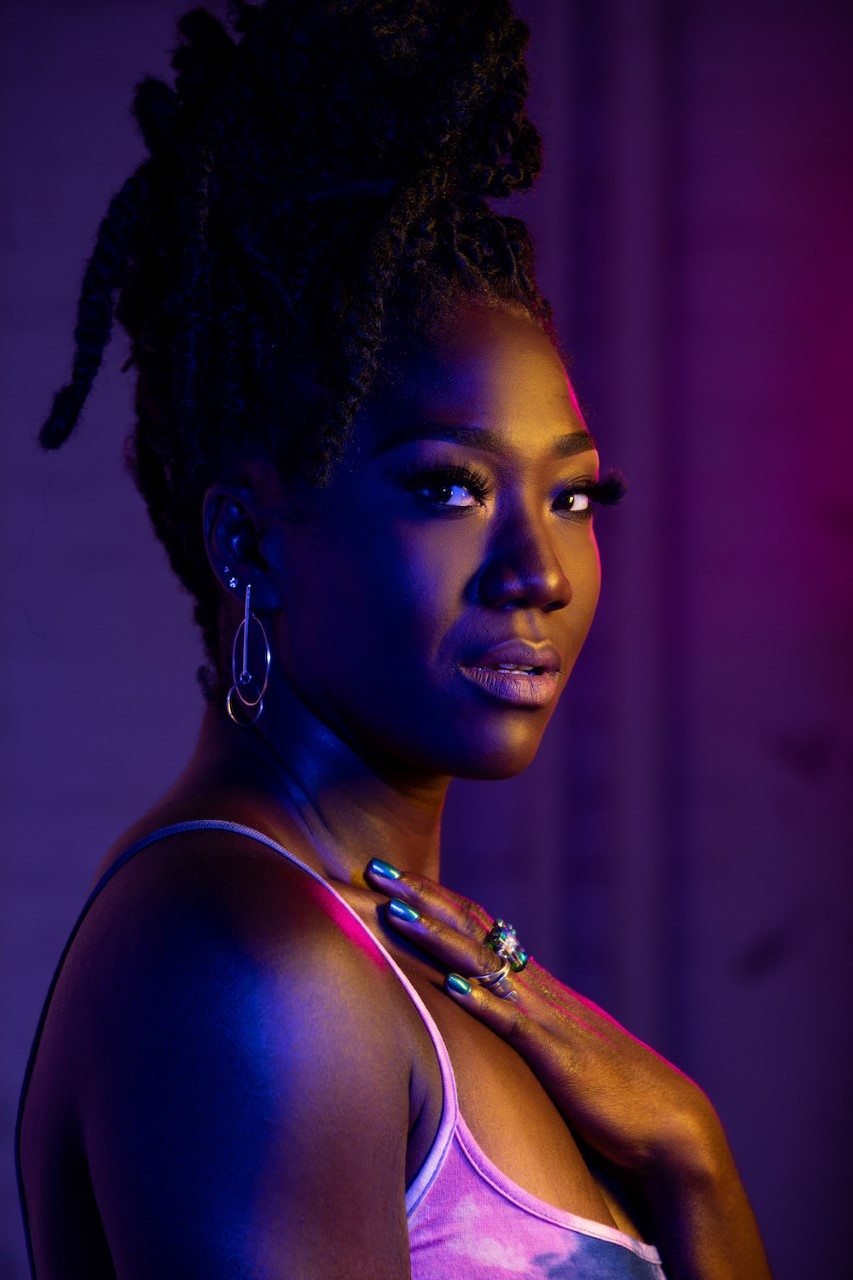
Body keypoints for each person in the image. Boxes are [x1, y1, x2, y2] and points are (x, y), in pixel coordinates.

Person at [16, 2, 772, 1277]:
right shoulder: (248, 962)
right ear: (249, 542)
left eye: (573, 493)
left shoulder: (362, 954)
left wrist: (693, 1152)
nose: (539, 570)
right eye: (447, 487)